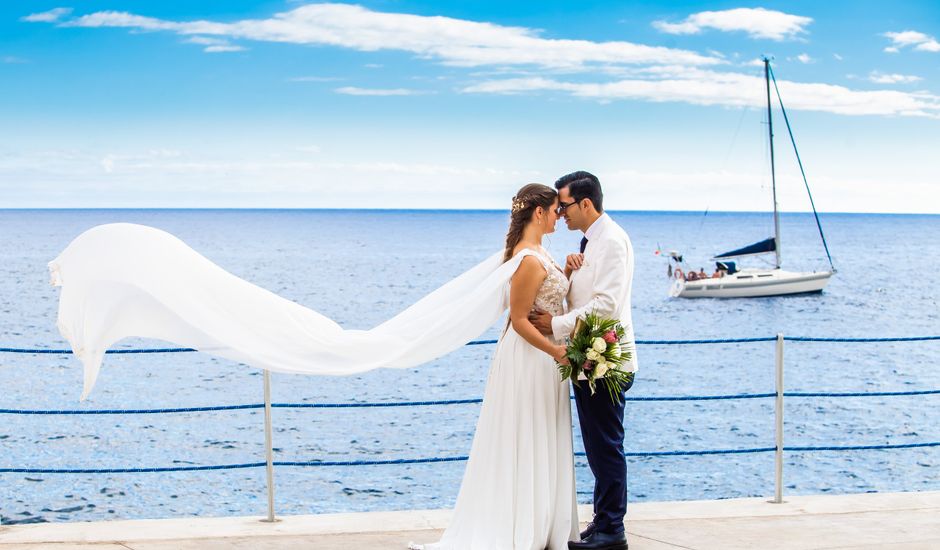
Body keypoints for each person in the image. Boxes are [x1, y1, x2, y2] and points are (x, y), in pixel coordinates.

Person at [412, 183, 578, 549]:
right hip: (532, 358)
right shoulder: (529, 259)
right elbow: (519, 320)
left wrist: (566, 272)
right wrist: (558, 354)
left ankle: (541, 519)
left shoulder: (538, 254)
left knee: (541, 432)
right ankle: (521, 524)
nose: (558, 216)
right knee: (525, 433)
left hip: (545, 356)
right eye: (554, 211)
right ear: (538, 213)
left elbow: (549, 301)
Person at [530, 171, 637, 550]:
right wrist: (572, 271)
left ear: (585, 203)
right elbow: (587, 295)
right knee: (596, 445)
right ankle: (603, 521)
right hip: (588, 358)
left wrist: (555, 324)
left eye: (564, 205)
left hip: (606, 361)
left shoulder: (611, 242)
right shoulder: (591, 242)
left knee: (606, 445)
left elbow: (607, 304)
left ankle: (612, 530)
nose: (560, 213)